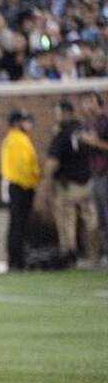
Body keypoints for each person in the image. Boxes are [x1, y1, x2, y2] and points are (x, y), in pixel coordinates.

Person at [43, 100, 95, 266]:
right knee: (91, 221)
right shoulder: (85, 129)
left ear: (66, 113)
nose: (57, 117)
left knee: (67, 221)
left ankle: (70, 255)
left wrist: (46, 182)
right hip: (89, 182)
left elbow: (53, 161)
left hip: (69, 185)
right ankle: (94, 255)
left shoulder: (63, 132)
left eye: (58, 113)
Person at [0, 109, 42, 270]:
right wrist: (35, 180)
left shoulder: (13, 139)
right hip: (21, 186)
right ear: (17, 122)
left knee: (17, 224)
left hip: (17, 185)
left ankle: (15, 258)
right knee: (19, 225)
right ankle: (17, 259)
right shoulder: (18, 139)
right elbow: (24, 166)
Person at [79, 92, 108, 267]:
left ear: (99, 104)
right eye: (84, 102)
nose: (87, 106)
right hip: (96, 174)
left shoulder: (105, 122)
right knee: (101, 219)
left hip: (106, 173)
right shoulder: (89, 125)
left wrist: (93, 141)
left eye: (90, 102)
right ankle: (106, 254)